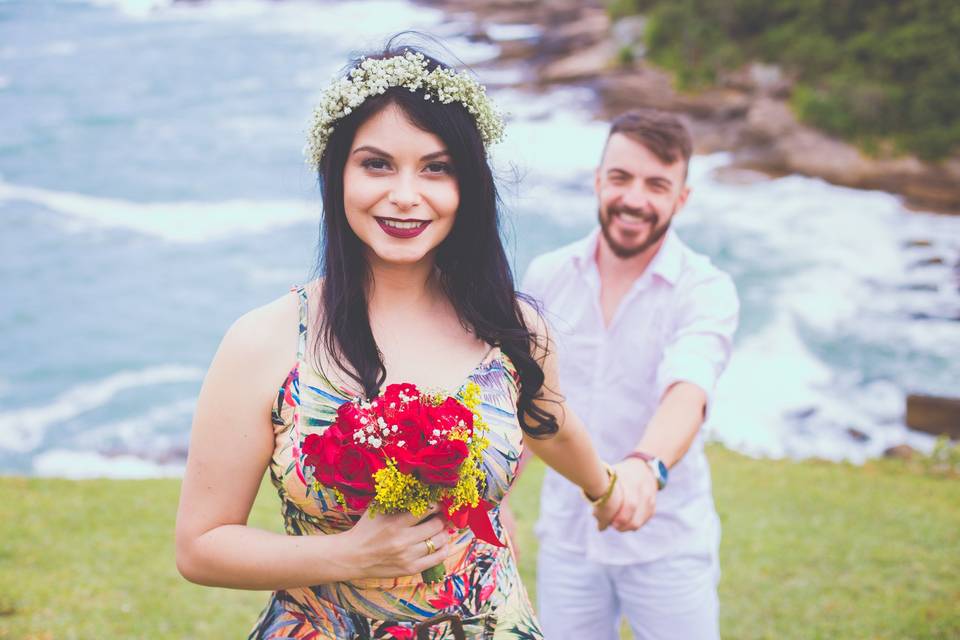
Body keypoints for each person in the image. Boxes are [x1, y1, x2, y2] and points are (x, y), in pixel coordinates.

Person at [174, 43, 634, 640]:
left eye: (436, 168)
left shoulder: (514, 331)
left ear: (467, 186)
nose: (406, 195)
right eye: (377, 164)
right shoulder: (265, 341)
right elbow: (200, 546)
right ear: (336, 171)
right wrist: (348, 556)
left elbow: (551, 421)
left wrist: (607, 487)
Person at [520, 109, 740, 640]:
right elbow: (528, 399)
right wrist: (495, 503)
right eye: (621, 178)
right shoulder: (547, 275)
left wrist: (646, 467)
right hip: (568, 540)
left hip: (667, 544)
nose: (634, 199)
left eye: (657, 184)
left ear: (681, 198)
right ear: (599, 181)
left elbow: (687, 391)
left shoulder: (705, 288)